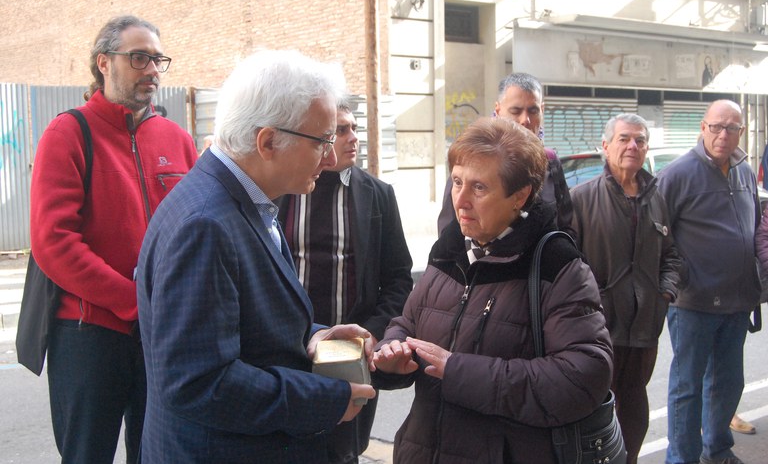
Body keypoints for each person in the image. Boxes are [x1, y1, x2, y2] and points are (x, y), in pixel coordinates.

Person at [136, 50, 377, 463]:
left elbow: (243, 326)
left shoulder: (245, 200)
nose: (331, 158)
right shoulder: (207, 224)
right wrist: (324, 398)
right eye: (321, 140)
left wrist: (312, 336)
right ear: (267, 142)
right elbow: (198, 383)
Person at [373, 117, 613, 463]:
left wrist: (458, 370)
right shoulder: (448, 249)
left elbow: (583, 378)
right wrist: (391, 354)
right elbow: (407, 324)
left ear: (520, 196)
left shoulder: (556, 265)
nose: (461, 200)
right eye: (457, 182)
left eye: (479, 187)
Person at [28, 15, 198, 463]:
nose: (153, 70)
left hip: (162, 333)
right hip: (89, 335)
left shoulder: (177, 139)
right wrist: (131, 298)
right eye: (139, 57)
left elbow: (200, 230)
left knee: (159, 453)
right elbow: (53, 243)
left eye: (158, 59)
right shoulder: (68, 133)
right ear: (104, 63)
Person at [276, 100, 413, 463]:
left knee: (345, 452)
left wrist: (371, 333)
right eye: (340, 130)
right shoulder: (283, 191)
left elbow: (399, 279)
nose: (353, 138)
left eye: (354, 128)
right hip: (291, 353)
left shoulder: (378, 195)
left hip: (353, 358)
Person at [570, 113, 681, 464]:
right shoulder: (581, 199)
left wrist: (665, 294)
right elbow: (569, 265)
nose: (633, 146)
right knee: (592, 407)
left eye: (640, 140)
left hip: (644, 328)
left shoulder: (656, 198)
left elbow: (672, 256)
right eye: (624, 138)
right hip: (598, 328)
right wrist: (591, 305)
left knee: (634, 403)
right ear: (605, 146)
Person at [657, 100, 762, 464]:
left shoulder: (745, 172)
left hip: (738, 300)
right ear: (702, 127)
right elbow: (659, 235)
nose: (722, 135)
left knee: (728, 383)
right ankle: (681, 459)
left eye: (731, 128)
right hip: (693, 303)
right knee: (687, 388)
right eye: (716, 127)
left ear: (741, 132)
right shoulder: (678, 174)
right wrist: (675, 281)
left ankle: (717, 449)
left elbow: (757, 230)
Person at [437, 72, 574, 237]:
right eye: (516, 111)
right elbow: (449, 234)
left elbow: (566, 225)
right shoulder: (470, 161)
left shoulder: (550, 161)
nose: (525, 120)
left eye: (533, 111)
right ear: (498, 110)